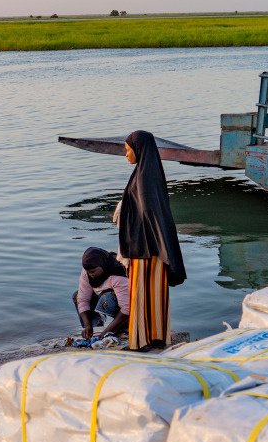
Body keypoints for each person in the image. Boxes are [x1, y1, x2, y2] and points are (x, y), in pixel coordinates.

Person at [119, 130, 186, 351]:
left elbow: (147, 212)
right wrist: (163, 244)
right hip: (157, 246)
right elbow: (156, 213)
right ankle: (158, 338)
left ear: (138, 150)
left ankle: (139, 342)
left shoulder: (144, 176)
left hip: (144, 247)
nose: (126, 154)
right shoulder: (151, 172)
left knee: (139, 294)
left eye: (128, 150)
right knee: (156, 294)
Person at [74, 247, 129, 344]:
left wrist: (103, 335)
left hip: (127, 305)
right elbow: (83, 299)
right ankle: (94, 328)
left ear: (102, 265)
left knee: (107, 298)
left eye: (93, 271)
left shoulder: (118, 274)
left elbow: (126, 308)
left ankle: (123, 325)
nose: (91, 275)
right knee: (77, 296)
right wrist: (88, 325)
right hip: (103, 298)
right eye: (89, 272)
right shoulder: (87, 271)